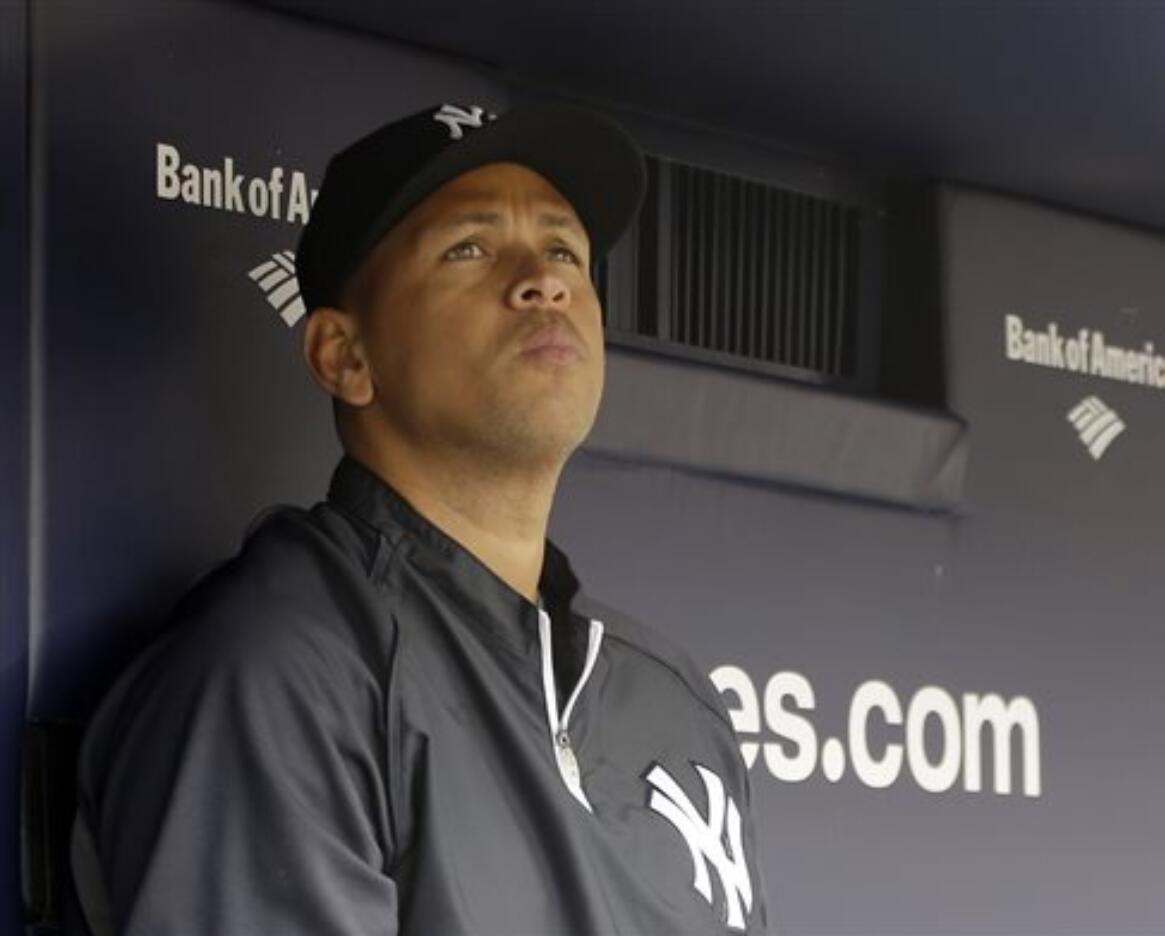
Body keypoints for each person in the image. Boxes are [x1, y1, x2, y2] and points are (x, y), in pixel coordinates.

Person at [69, 101, 770, 935]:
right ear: (344, 356)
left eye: (564, 250)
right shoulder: (286, 671)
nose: (541, 279)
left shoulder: (672, 700)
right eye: (468, 248)